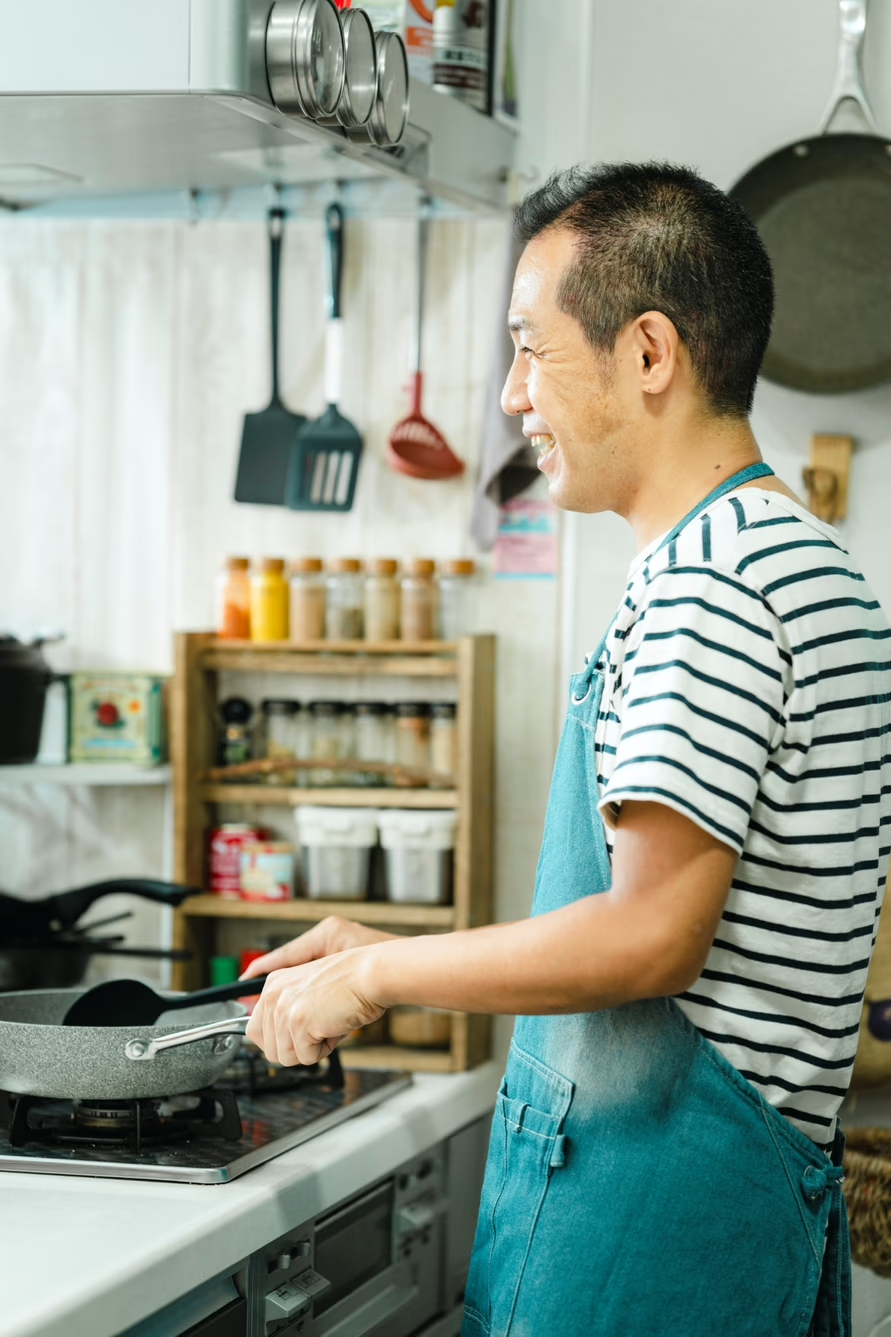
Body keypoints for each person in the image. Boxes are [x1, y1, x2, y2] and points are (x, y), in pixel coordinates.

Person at [242, 163, 891, 1335]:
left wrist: (374, 977)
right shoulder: (799, 557)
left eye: (531, 348)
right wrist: (394, 941)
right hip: (715, 1208)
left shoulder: (714, 583)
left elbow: (650, 933)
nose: (509, 394)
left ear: (650, 353)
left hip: (654, 1224)